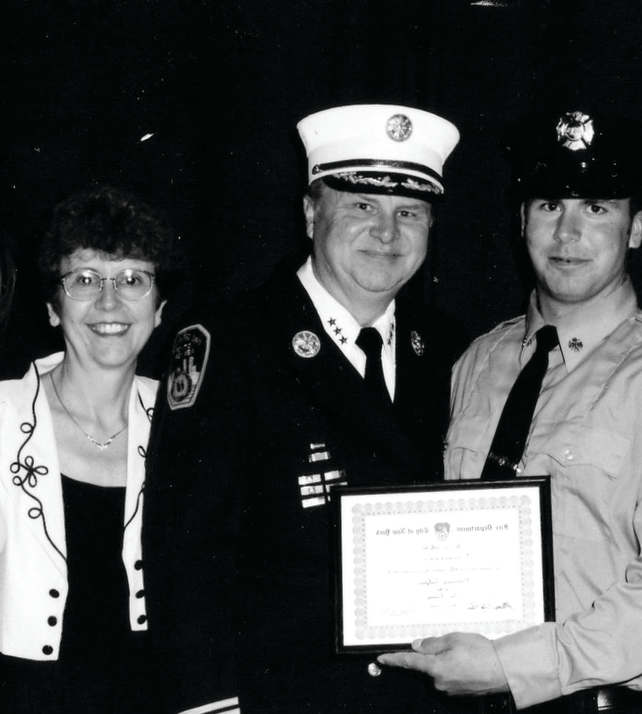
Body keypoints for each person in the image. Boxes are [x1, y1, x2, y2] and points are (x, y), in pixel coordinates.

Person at [379, 110, 642, 713]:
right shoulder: (477, 361)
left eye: (596, 208)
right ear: (522, 220)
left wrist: (515, 667)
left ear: (636, 229)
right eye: (549, 205)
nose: (567, 233)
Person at [143, 104, 468, 714]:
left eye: (408, 212)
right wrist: (211, 706)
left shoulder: (455, 349)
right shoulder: (228, 341)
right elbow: (183, 553)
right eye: (362, 206)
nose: (387, 233)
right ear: (311, 212)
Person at [0, 186, 181, 713]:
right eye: (84, 279)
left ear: (160, 308)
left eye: (132, 279)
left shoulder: (189, 424)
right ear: (52, 308)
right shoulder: (3, 418)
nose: (109, 302)